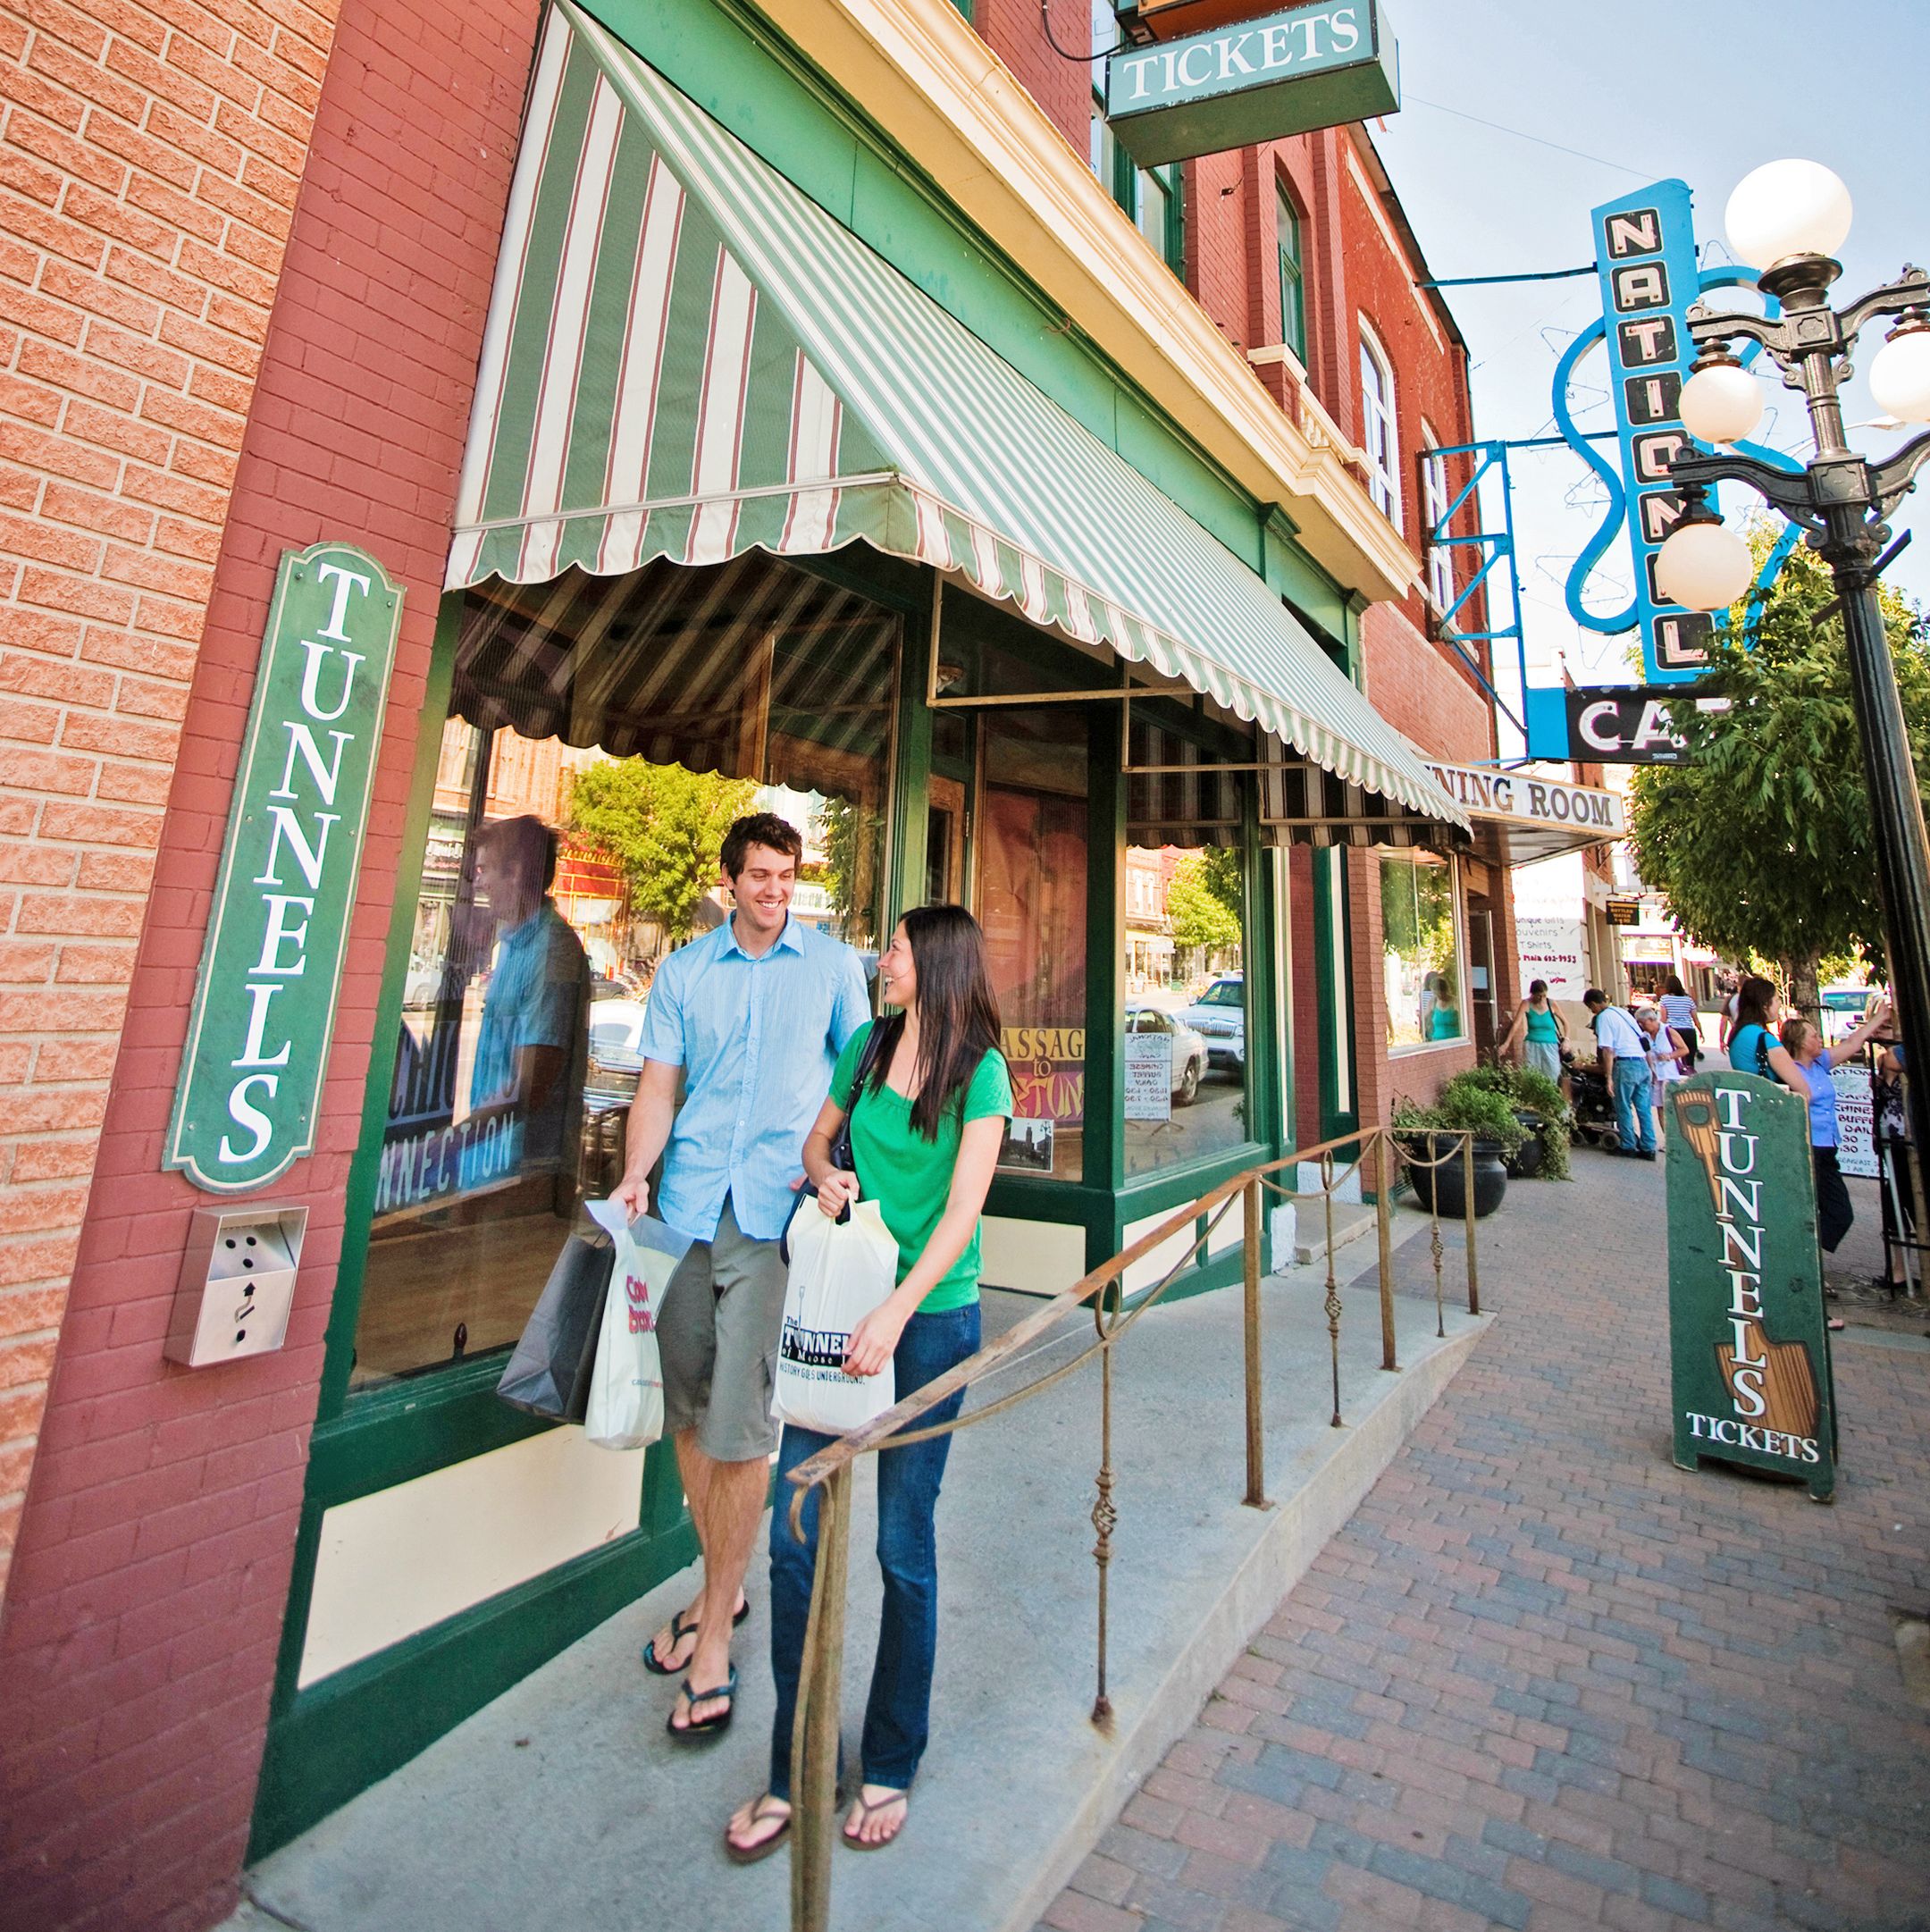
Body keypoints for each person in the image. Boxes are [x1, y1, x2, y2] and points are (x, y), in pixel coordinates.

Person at [726, 904, 1012, 1863]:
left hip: (927, 1326)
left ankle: (890, 1756)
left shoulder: (982, 1073)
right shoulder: (867, 1041)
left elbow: (964, 1210)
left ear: (933, 961)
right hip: (839, 1310)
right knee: (795, 1532)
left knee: (901, 1544)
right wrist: (826, 1178)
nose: (878, 958)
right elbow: (816, 1145)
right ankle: (796, 1763)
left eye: (892, 945)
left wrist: (897, 1312)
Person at [614, 814, 870, 1740]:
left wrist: (842, 1171)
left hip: (773, 1215)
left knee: (742, 1425)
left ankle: (716, 1627)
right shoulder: (685, 973)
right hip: (685, 1205)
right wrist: (638, 1171)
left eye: (786, 874)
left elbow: (860, 1082)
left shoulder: (834, 968)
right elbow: (657, 1088)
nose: (773, 889)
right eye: (758, 874)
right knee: (687, 1412)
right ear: (729, 882)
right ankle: (719, 1580)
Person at [464, 814, 590, 1185]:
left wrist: (441, 1146)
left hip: (519, 1175)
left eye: (486, 869)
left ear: (515, 872)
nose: (480, 881)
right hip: (484, 1164)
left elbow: (530, 1084)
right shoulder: (513, 944)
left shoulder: (552, 950)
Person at [1770, 1003, 1892, 1264]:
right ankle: (1799, 1260)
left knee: (1839, 1213)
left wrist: (1879, 1018)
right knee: (1828, 1210)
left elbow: (1853, 1043)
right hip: (1807, 1148)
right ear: (1801, 1044)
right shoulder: (1790, 1072)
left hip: (1828, 1148)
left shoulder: (1820, 1064)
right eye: (1813, 1036)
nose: (1819, 1039)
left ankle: (1803, 1257)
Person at [1584, 987, 1655, 1159]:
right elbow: (1643, 1040)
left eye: (1590, 1008)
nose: (1591, 1011)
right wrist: (1651, 1068)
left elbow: (1608, 1049)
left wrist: (1608, 1077)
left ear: (1594, 1004)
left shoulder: (1603, 1018)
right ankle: (1648, 1147)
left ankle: (1628, 1145)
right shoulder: (1622, 1013)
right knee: (1644, 1108)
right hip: (1641, 1063)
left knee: (1623, 1107)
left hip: (1625, 1065)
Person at [1638, 1006, 1689, 1147]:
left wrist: (1669, 1056)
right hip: (1655, 1076)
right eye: (1640, 1023)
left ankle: (1679, 1139)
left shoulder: (1667, 1031)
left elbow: (1684, 1049)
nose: (1642, 1025)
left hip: (1670, 1074)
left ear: (1652, 1020)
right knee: (1660, 1108)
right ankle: (1669, 1142)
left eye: (1643, 1022)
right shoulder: (1644, 1036)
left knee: (1671, 1108)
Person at [1502, 979, 1567, 1087]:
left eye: (1544, 996)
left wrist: (1567, 1040)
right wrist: (1506, 1043)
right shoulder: (1526, 1003)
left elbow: (1566, 1023)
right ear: (1532, 994)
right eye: (1539, 996)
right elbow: (1516, 1024)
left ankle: (1550, 1097)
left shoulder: (1551, 1004)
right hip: (1532, 1043)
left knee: (1553, 1072)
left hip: (1550, 1043)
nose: (1542, 999)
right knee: (1532, 1074)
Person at [1658, 972, 1701, 1070]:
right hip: (1688, 1031)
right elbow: (1695, 1019)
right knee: (1690, 1061)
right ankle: (1690, 1079)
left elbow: (1664, 1019)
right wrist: (1700, 1032)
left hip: (1672, 1031)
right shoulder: (1688, 1000)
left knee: (1674, 1058)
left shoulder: (1664, 999)